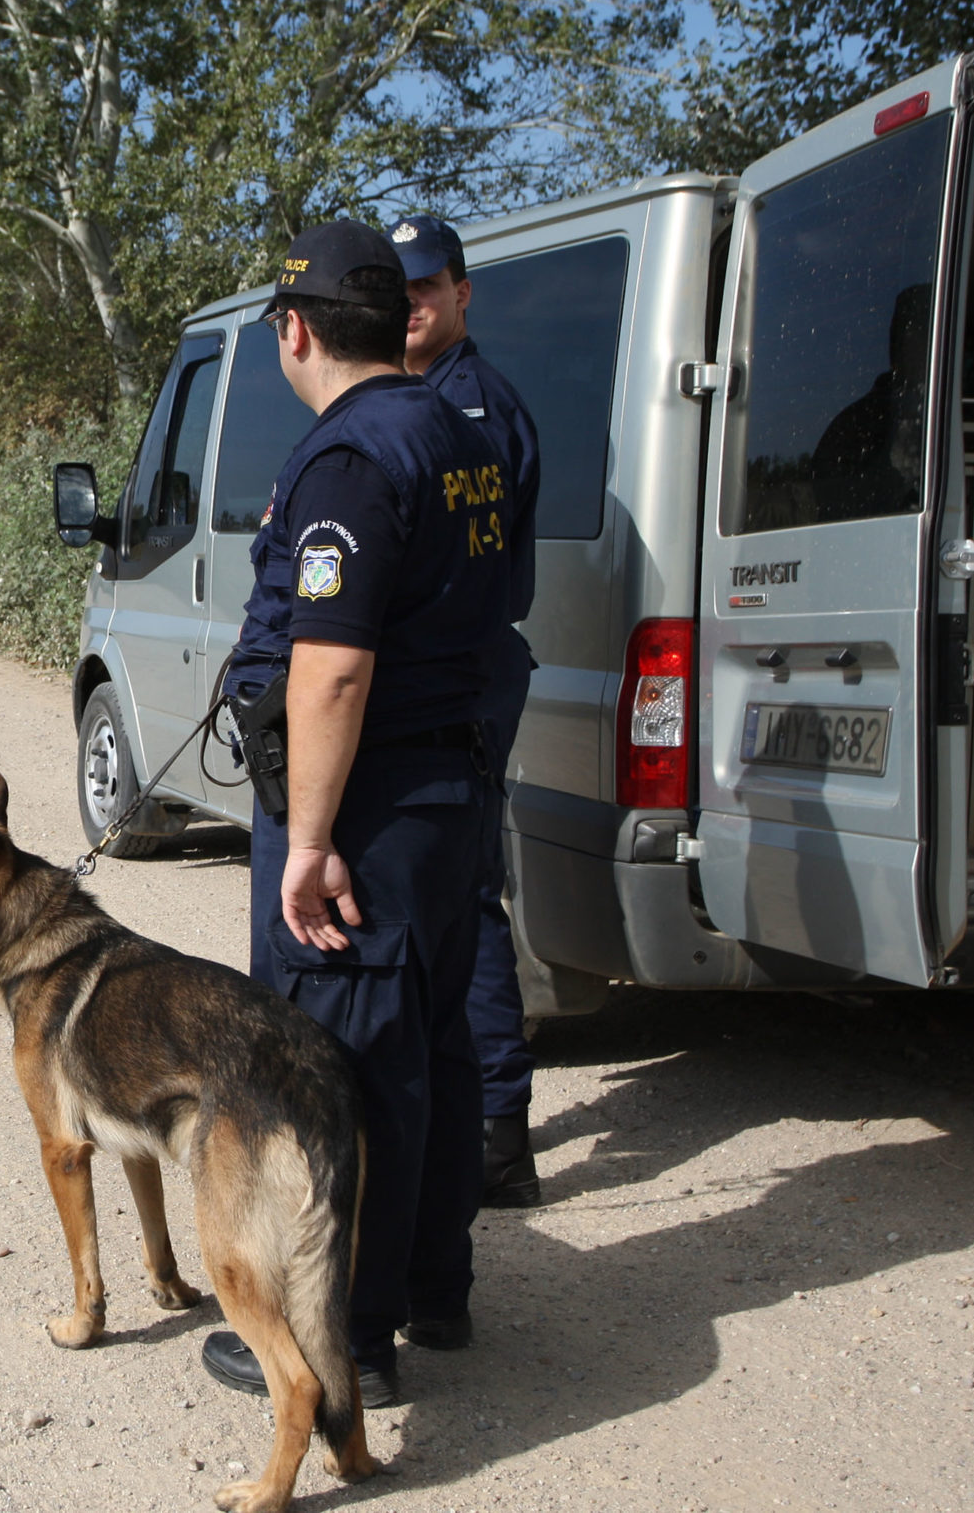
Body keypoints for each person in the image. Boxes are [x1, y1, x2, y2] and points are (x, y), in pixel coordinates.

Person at [200, 221, 512, 1412]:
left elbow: (331, 669)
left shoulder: (349, 458)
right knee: (428, 1047)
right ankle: (435, 1286)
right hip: (444, 791)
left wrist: (313, 840)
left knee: (343, 1065)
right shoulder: (453, 425)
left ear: (295, 329)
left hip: (367, 807)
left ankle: (346, 1340)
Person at [390, 213, 545, 1210]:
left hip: (464, 677)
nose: (412, 306)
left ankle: (495, 1136)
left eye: (427, 289)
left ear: (461, 293)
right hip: (448, 675)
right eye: (397, 291)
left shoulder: (471, 408)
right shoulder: (420, 395)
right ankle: (466, 1122)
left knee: (465, 902)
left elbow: (458, 579)